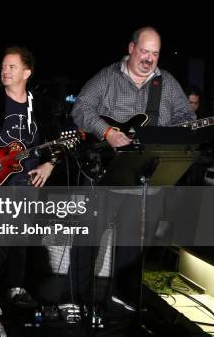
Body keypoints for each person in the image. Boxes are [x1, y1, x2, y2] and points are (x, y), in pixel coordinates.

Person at [71, 26, 195, 312]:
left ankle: (122, 294)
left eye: (155, 53)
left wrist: (179, 130)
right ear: (131, 48)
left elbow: (185, 117)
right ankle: (79, 299)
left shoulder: (167, 83)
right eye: (144, 51)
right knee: (88, 240)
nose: (149, 59)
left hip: (142, 178)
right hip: (104, 173)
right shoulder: (108, 77)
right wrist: (108, 133)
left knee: (132, 244)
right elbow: (81, 108)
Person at [0, 46, 56, 316]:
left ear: (27, 72)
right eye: (4, 66)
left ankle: (16, 287)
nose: (5, 71)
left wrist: (49, 165)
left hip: (26, 180)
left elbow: (56, 143)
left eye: (12, 67)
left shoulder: (40, 105)